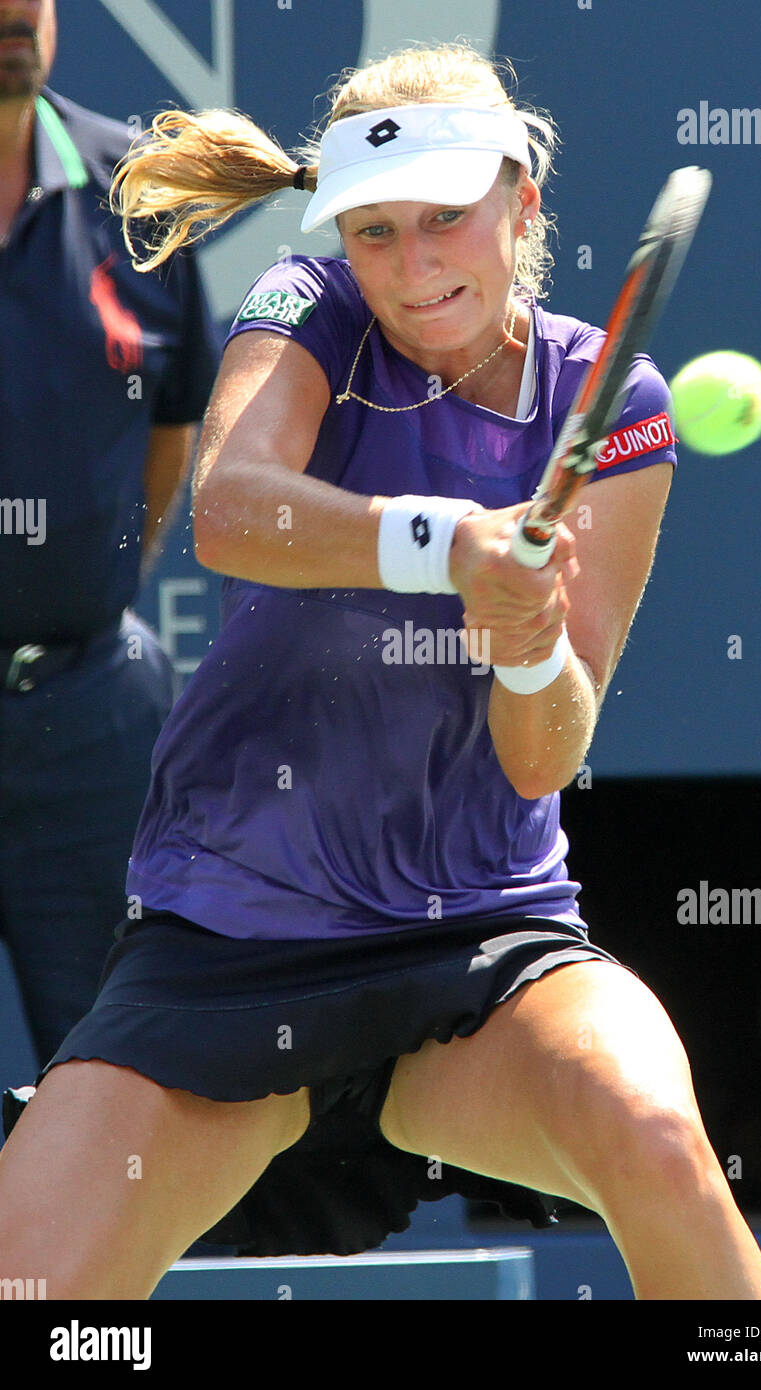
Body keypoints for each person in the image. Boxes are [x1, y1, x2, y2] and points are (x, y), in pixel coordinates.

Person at [0, 41, 761, 1300]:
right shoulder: (310, 307)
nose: (411, 271)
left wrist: (527, 649)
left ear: (520, 204)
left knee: (654, 1141)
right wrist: (450, 546)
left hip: (481, 945)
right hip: (229, 942)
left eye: (442, 221)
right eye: (373, 232)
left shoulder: (611, 400)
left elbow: (544, 757)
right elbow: (232, 510)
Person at [0, 0, 220, 1068]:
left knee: (120, 1084)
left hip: (86, 726)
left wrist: (93, 582)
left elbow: (176, 422)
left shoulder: (142, 194)